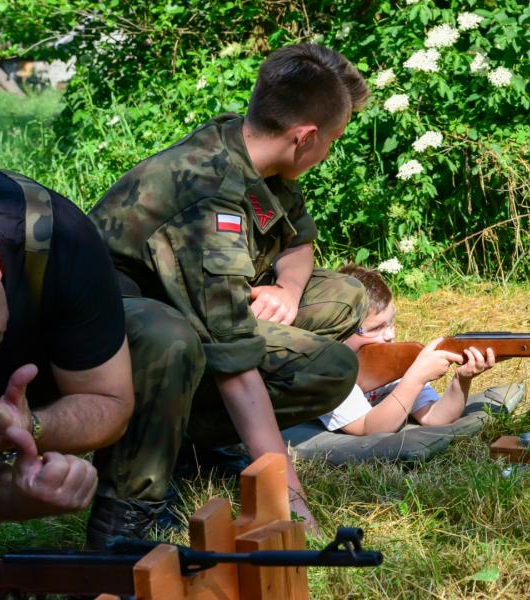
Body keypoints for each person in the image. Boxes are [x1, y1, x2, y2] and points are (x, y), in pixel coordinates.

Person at [87, 43, 369, 543]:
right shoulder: (209, 193)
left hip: (189, 312)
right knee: (329, 368)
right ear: (305, 137)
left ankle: (199, 446)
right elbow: (235, 365)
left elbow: (298, 241)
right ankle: (142, 487)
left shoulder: (252, 149)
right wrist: (290, 504)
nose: (329, 153)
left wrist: (288, 288)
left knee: (343, 295)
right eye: (332, 140)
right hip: (120, 339)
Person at [0, 168, 133, 521]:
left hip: (48, 361)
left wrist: (29, 426)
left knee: (159, 334)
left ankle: (125, 517)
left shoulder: (59, 239)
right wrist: (15, 497)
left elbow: (110, 400)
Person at [319, 265, 496, 435]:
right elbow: (368, 427)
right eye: (375, 328)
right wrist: (416, 378)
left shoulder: (388, 359)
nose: (389, 335)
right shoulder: (327, 371)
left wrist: (462, 379)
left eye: (391, 323)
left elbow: (434, 417)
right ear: (339, 332)